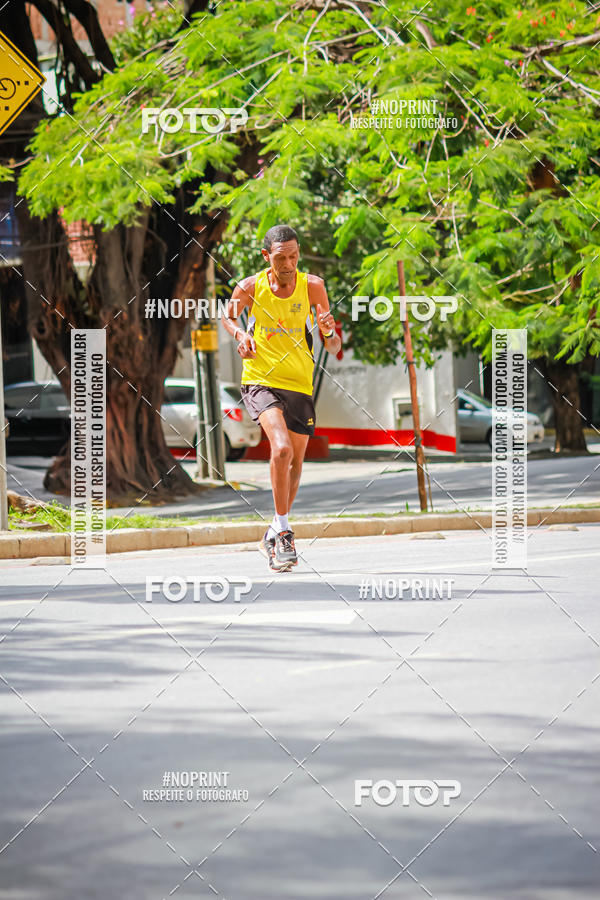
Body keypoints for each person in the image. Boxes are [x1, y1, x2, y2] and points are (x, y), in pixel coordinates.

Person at [222, 224, 341, 570]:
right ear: (266, 257)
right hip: (260, 379)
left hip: (300, 384)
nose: (288, 264)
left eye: (293, 256)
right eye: (280, 258)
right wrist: (241, 333)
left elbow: (333, 347)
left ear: (299, 253)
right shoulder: (250, 287)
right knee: (282, 449)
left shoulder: (313, 287)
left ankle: (271, 533)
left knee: (296, 464)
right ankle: (285, 533)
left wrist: (330, 330)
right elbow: (228, 317)